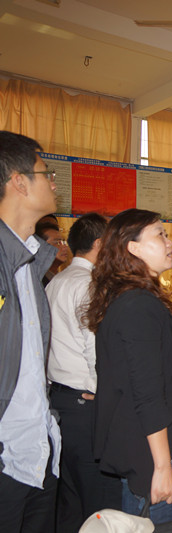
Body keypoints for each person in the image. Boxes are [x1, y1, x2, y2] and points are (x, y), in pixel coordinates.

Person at [86, 208, 172, 524]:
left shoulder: (133, 298)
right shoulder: (137, 305)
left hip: (149, 447)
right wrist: (161, 467)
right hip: (158, 452)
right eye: (160, 235)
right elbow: (147, 393)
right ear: (132, 247)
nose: (169, 242)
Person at [0, 131, 62, 532]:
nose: (54, 184)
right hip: (7, 457)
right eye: (46, 173)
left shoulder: (32, 261)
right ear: (18, 182)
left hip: (38, 449)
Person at [46, 212, 120, 532]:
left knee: (71, 501)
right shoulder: (90, 285)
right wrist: (107, 398)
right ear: (100, 244)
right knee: (101, 506)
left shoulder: (57, 280)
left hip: (60, 400)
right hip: (85, 405)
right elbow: (96, 351)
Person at [35, 213, 70, 285]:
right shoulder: (37, 281)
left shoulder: (59, 278)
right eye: (57, 243)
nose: (64, 247)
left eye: (63, 242)